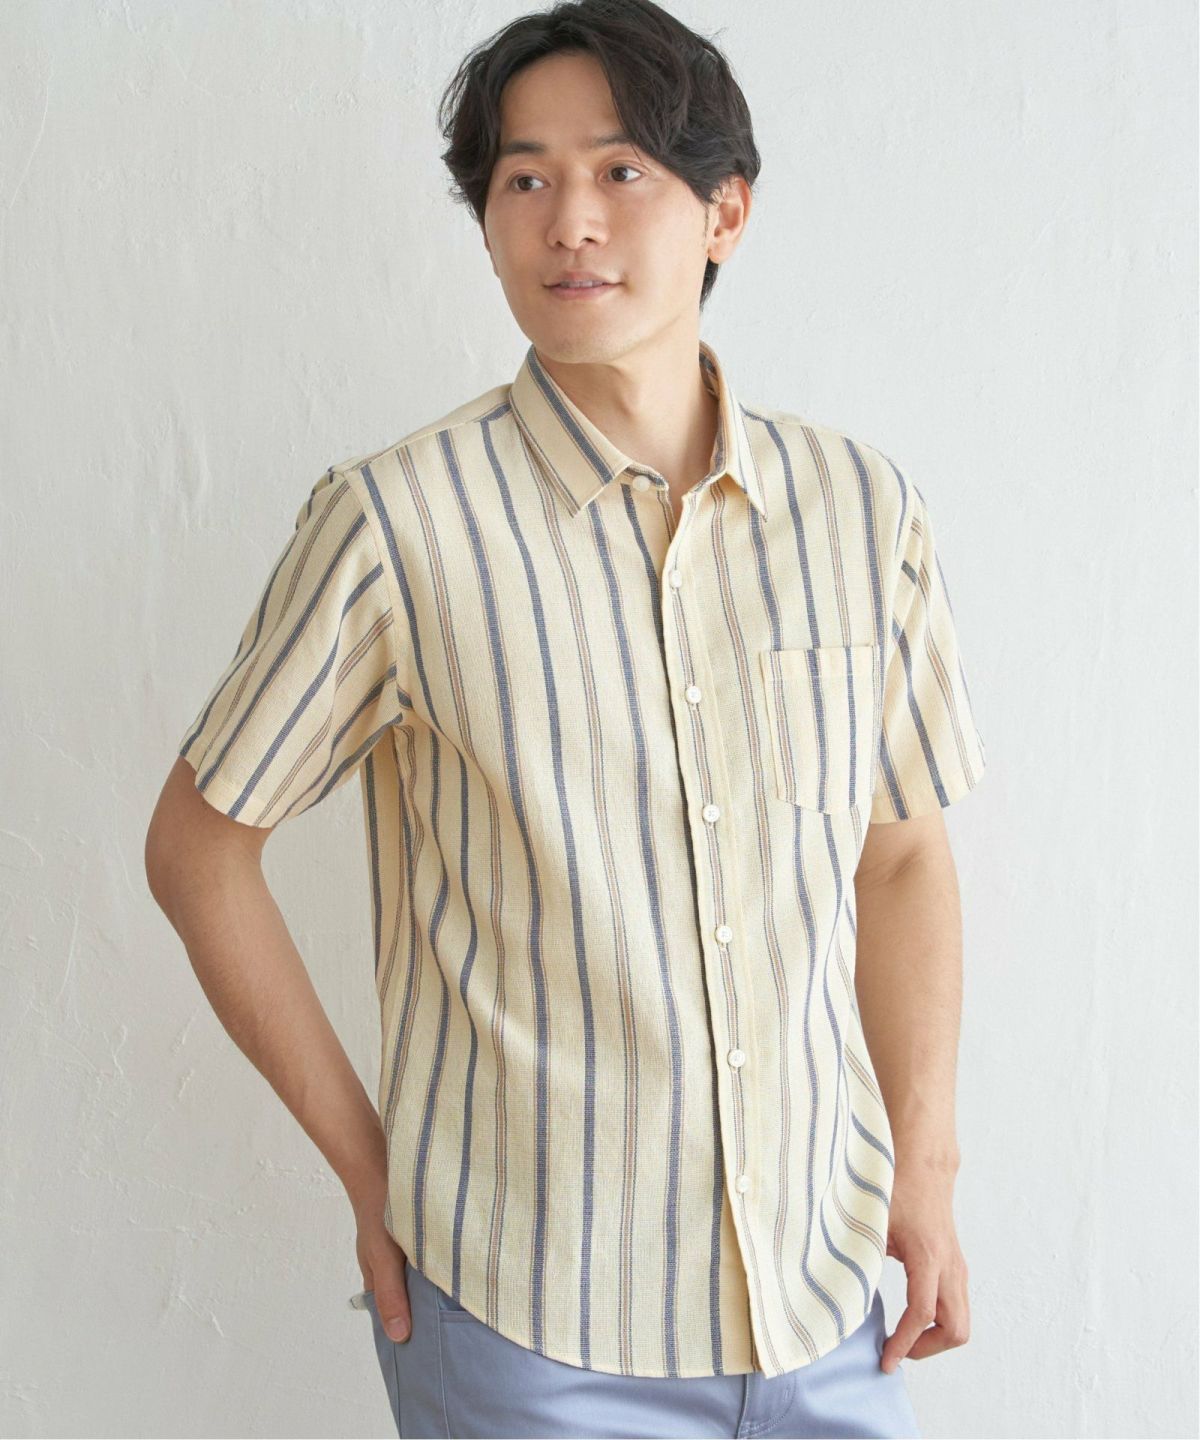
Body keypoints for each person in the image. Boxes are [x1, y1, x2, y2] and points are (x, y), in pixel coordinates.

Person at [146, 1, 987, 1435]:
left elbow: (900, 854)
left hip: (831, 1303)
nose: (569, 221)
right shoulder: (397, 524)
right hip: (532, 1333)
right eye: (522, 178)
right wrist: (371, 1170)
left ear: (725, 212)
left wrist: (926, 1170)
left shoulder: (862, 509)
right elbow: (198, 848)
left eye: (620, 170)